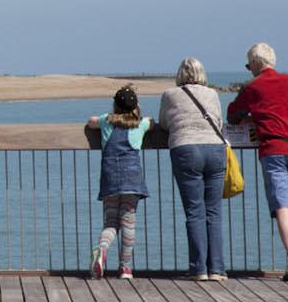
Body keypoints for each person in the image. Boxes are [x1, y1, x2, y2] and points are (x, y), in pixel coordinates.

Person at [227, 42, 288, 282]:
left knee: (282, 210)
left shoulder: (253, 87)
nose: (249, 70)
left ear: (256, 64)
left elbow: (233, 115)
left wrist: (253, 117)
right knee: (287, 208)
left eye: (249, 66)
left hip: (274, 151)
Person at [159, 58, 228, 282]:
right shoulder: (213, 94)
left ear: (180, 74)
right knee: (214, 211)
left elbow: (163, 123)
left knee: (194, 211)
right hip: (216, 150)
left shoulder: (170, 95)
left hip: (186, 149)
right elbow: (218, 122)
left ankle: (199, 268)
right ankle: (217, 268)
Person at [85, 84, 153, 280]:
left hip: (110, 180)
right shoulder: (140, 124)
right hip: (131, 181)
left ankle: (102, 250)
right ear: (135, 106)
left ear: (115, 105)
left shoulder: (107, 121)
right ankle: (125, 268)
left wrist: (106, 117)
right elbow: (152, 123)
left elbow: (91, 122)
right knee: (128, 224)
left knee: (111, 222)